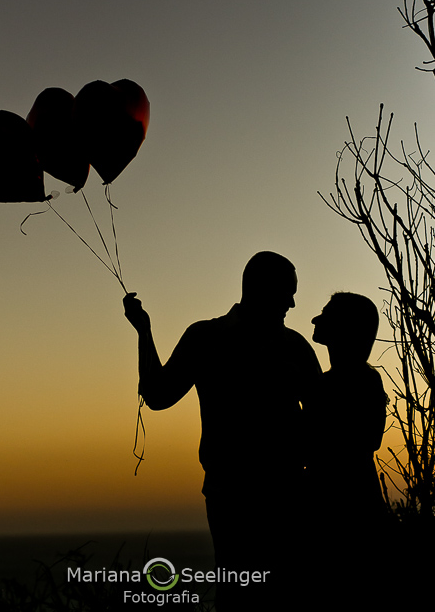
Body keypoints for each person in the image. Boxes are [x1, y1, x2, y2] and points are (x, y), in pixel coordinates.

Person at [124, 251, 322, 605]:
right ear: (260, 289)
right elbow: (157, 394)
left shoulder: (294, 346)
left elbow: (323, 421)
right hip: (234, 496)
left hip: (287, 494)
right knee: (242, 593)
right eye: (286, 292)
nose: (293, 302)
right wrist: (144, 331)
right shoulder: (209, 337)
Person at [305, 292, 389, 597]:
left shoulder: (341, 385)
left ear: (345, 328)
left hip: (341, 516)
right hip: (355, 509)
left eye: (325, 315)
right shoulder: (361, 381)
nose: (315, 319)